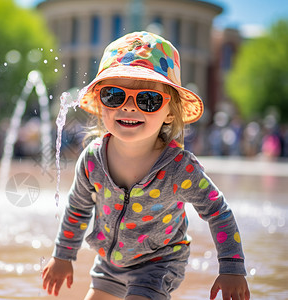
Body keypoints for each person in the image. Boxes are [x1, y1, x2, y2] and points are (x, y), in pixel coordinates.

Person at [42, 31, 250, 300]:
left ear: (170, 113)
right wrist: (63, 255)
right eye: (114, 95)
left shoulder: (178, 168)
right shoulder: (93, 159)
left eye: (147, 100)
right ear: (100, 103)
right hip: (110, 262)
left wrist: (232, 267)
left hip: (159, 263)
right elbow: (77, 208)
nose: (128, 107)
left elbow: (218, 211)